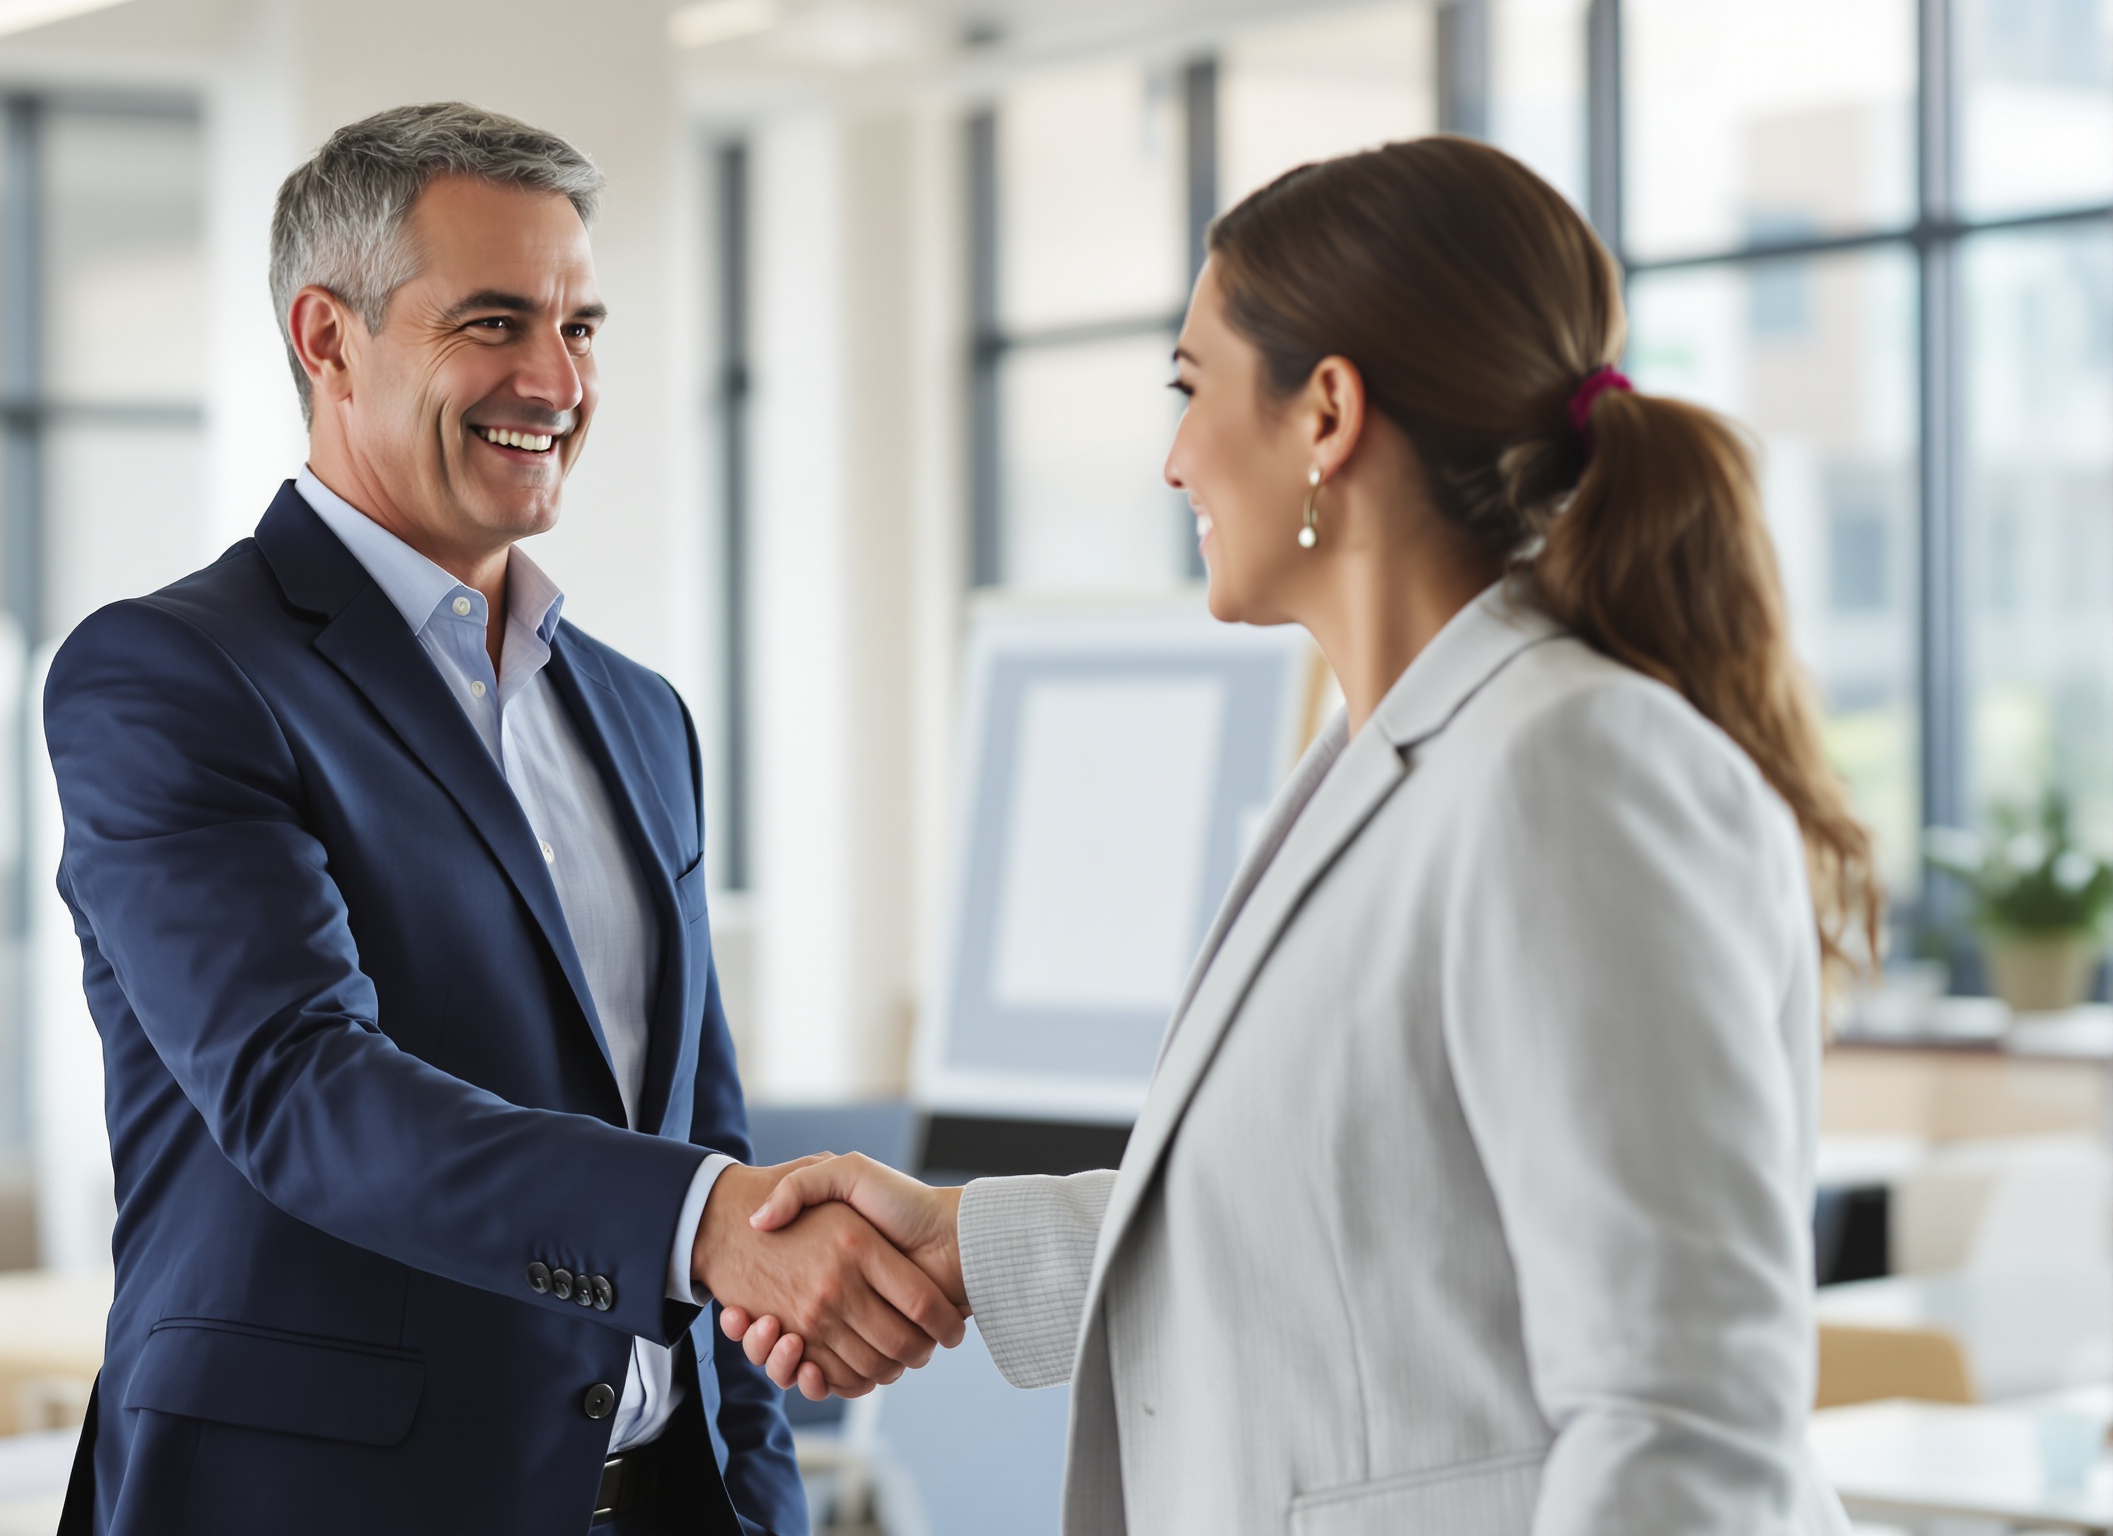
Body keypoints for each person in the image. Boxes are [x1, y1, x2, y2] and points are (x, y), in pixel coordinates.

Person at [722, 135, 1881, 1535]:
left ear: (1327, 412)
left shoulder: (1573, 766)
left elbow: (1677, 1416)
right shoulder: (1383, 768)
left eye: (1190, 386)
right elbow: (1360, 1225)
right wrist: (967, 1241)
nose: (1171, 459)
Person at [43, 103, 962, 1536]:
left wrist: (759, 1495)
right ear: (327, 338)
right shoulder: (174, 676)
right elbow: (302, 1090)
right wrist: (709, 1226)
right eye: (492, 322)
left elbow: (698, 1119)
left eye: (580, 327)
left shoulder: (638, 714)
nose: (553, 377)